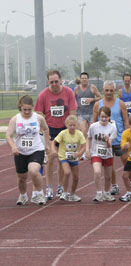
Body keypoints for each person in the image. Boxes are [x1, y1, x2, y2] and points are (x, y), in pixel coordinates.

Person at [34, 70, 77, 200]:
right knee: (50, 159)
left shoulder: (68, 92)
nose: (54, 84)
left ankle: (60, 186)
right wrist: (43, 132)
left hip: (64, 129)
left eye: (56, 81)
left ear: (61, 81)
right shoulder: (43, 95)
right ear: (48, 82)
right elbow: (38, 114)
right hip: (49, 129)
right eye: (51, 82)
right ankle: (48, 188)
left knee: (61, 159)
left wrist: (72, 130)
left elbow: (73, 112)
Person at [6, 95, 50, 205]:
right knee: (22, 177)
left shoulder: (38, 118)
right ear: (20, 107)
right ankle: (23, 195)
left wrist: (47, 144)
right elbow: (8, 135)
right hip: (20, 151)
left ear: (33, 107)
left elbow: (45, 129)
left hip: (36, 149)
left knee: (34, 171)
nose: (26, 112)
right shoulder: (15, 119)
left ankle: (39, 194)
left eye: (29, 109)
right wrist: (13, 147)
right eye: (24, 109)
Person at [93, 80, 130, 195]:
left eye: (111, 90)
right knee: (110, 164)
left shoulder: (120, 103)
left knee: (127, 161)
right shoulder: (98, 104)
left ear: (114, 91)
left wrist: (127, 135)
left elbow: (125, 120)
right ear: (103, 91)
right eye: (107, 90)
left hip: (119, 138)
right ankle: (114, 185)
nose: (109, 92)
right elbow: (94, 122)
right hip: (104, 140)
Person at [86, 106, 117, 202]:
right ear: (99, 116)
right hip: (96, 153)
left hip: (107, 153)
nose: (104, 119)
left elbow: (109, 145)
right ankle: (99, 193)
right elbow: (89, 138)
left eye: (106, 117)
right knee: (97, 172)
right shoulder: (93, 126)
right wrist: (87, 150)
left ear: (109, 117)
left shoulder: (112, 128)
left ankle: (107, 193)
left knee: (108, 176)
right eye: (102, 116)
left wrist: (107, 140)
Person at [52, 115, 86, 202]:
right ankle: (64, 192)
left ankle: (72, 194)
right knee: (66, 173)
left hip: (74, 158)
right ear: (66, 125)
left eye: (74, 125)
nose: (72, 127)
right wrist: (55, 151)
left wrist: (79, 153)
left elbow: (83, 146)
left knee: (76, 177)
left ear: (77, 125)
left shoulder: (79, 134)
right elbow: (54, 142)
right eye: (70, 125)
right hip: (64, 156)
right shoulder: (63, 133)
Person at [74, 72, 102, 147]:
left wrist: (92, 99)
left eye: (85, 78)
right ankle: (84, 149)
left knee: (92, 131)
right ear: (80, 79)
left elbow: (100, 97)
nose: (84, 80)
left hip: (91, 113)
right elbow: (73, 99)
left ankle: (92, 147)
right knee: (83, 131)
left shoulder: (92, 87)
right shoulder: (76, 89)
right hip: (81, 113)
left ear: (88, 79)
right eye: (82, 78)